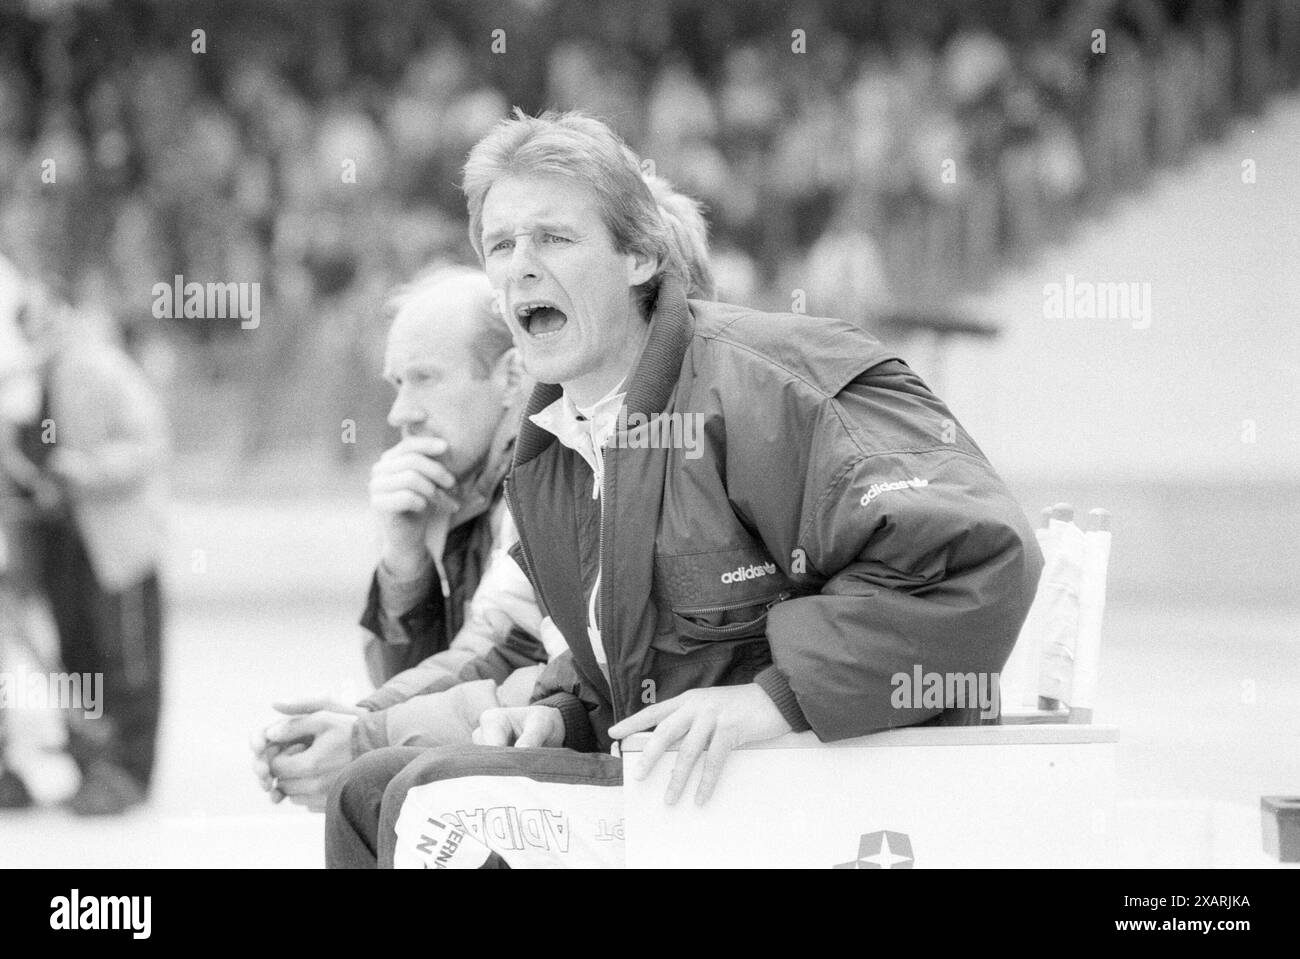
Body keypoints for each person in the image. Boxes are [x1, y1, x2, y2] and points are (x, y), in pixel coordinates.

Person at [325, 109, 1043, 869]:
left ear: (639, 256)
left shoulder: (769, 381)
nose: (519, 266)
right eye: (501, 244)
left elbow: (983, 562)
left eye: (554, 237)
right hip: (693, 799)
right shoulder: (555, 448)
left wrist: (768, 700)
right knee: (369, 790)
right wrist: (561, 715)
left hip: (829, 800)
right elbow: (630, 664)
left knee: (426, 792)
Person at [257, 177, 717, 814]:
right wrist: (405, 563)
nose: (399, 413)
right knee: (384, 788)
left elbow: (530, 668)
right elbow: (472, 664)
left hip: (670, 798)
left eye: (423, 379)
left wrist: (366, 732)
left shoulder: (565, 466)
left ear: (508, 375)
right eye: (395, 383)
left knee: (385, 789)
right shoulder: (498, 483)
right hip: (630, 774)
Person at [16, 287, 169, 816]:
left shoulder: (97, 367)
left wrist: (85, 469)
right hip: (61, 545)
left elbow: (149, 442)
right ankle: (92, 769)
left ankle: (128, 775)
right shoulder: (25, 380)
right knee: (78, 658)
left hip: (114, 543)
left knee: (128, 661)